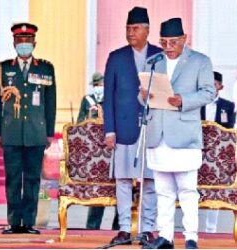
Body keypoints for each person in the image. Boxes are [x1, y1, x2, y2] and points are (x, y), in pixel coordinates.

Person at [140, 18, 215, 249]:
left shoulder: (200, 61)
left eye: (173, 42)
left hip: (184, 136)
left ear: (184, 39)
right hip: (158, 134)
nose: (168, 47)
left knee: (187, 191)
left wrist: (184, 100)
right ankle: (166, 237)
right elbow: (142, 93)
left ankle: (191, 237)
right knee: (163, 192)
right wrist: (143, 97)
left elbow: (208, 93)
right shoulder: (153, 61)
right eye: (164, 42)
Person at [103, 6, 162, 245]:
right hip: (124, 129)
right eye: (128, 28)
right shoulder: (116, 57)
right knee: (124, 180)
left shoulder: (160, 56)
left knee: (150, 181)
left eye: (135, 28)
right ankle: (125, 228)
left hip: (153, 130)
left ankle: (147, 228)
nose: (131, 33)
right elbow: (109, 96)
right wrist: (109, 130)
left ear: (147, 30)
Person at [0, 22, 56, 235]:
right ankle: (13, 222)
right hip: (11, 133)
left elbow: (50, 103)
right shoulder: (4, 69)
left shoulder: (45, 68)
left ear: (34, 43)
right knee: (12, 180)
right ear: (14, 43)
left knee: (31, 179)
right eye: (20, 41)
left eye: (27, 41)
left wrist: (48, 132)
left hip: (36, 133)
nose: (24, 45)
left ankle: (28, 222)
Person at [77, 72, 119, 230]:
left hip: (113, 150)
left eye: (102, 85)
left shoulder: (114, 100)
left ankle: (119, 227)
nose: (99, 87)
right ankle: (92, 227)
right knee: (98, 190)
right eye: (96, 85)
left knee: (118, 190)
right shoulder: (87, 100)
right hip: (94, 153)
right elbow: (80, 123)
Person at [200, 71, 235, 233]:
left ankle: (210, 231)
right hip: (197, 150)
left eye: (214, 85)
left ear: (220, 87)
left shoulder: (228, 106)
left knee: (214, 190)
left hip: (217, 157)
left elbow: (228, 130)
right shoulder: (196, 104)